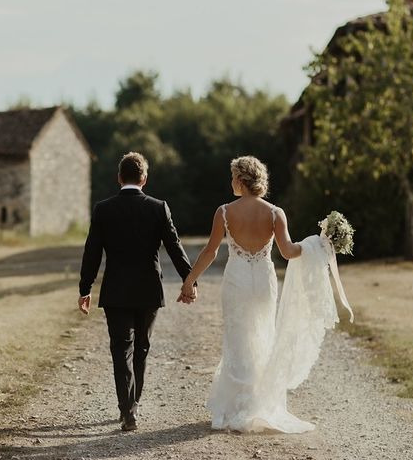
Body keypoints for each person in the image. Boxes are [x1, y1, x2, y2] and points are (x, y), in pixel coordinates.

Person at [180, 155, 335, 433]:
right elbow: (288, 252)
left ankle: (236, 406)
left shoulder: (224, 212)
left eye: (232, 177)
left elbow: (211, 251)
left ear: (240, 180)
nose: (231, 182)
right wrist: (315, 245)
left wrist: (190, 280)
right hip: (263, 282)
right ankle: (259, 404)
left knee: (238, 339)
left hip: (237, 281)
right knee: (263, 335)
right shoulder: (275, 213)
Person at [78, 152, 195, 432]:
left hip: (116, 291)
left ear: (120, 178)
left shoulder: (103, 209)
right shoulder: (159, 207)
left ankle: (127, 411)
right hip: (148, 290)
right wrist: (189, 280)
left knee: (121, 350)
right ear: (144, 178)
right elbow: (174, 247)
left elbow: (92, 252)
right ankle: (133, 406)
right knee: (141, 348)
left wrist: (85, 288)